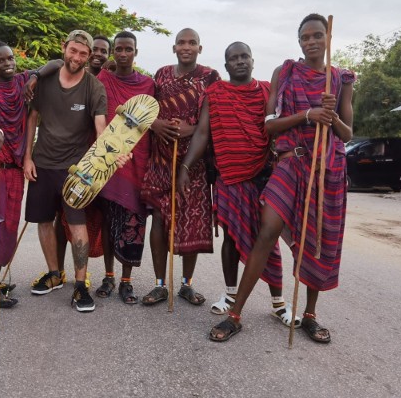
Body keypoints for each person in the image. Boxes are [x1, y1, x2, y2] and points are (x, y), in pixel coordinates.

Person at [208, 14, 355, 343]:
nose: (312, 41)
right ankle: (235, 314)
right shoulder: (285, 73)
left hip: (326, 169)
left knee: (314, 243)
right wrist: (307, 114)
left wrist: (330, 118)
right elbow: (270, 125)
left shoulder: (341, 79)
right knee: (267, 232)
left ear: (328, 38)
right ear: (299, 41)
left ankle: (310, 316)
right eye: (306, 37)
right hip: (290, 165)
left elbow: (347, 133)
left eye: (318, 35)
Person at [178, 41, 300, 328]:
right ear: (226, 65)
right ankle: (231, 295)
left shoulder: (266, 91)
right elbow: (203, 133)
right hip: (229, 178)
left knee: (267, 240)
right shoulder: (215, 93)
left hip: (263, 175)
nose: (240, 61)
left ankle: (279, 303)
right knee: (231, 237)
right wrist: (185, 166)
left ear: (253, 61)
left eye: (245, 56)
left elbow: (281, 124)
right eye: (234, 58)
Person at [0, 41, 61, 309]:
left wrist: (35, 77)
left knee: (8, 227)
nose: (8, 63)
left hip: (15, 167)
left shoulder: (22, 81)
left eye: (10, 58)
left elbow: (59, 64)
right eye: (1, 60)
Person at [23, 30, 107, 312]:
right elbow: (32, 118)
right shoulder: (45, 80)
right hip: (42, 162)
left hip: (76, 169)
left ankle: (81, 286)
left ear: (90, 56)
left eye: (83, 54)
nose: (77, 57)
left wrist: (107, 157)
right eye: (73, 51)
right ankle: (54, 274)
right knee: (44, 221)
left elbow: (100, 127)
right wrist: (27, 158)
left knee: (77, 224)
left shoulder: (94, 87)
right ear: (64, 48)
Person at [140, 28, 220, 306]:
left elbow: (209, 123)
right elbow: (145, 108)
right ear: (174, 48)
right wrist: (156, 124)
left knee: (191, 221)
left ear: (200, 47)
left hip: (193, 161)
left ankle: (186, 284)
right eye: (181, 43)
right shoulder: (161, 74)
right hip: (161, 157)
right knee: (159, 219)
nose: (186, 47)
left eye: (192, 43)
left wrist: (193, 131)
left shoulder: (209, 77)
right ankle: (160, 284)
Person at [93, 31, 154, 304]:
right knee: (108, 221)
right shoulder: (103, 79)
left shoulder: (148, 85)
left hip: (137, 162)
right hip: (108, 162)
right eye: (119, 49)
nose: (123, 53)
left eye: (128, 49)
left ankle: (127, 281)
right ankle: (108, 275)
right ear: (113, 52)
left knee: (133, 223)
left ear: (136, 52)